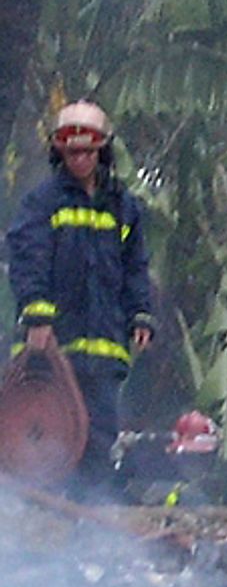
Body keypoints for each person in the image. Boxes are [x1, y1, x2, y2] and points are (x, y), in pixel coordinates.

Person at [6, 101, 153, 499]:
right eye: (72, 152)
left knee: (97, 440)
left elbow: (135, 267)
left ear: (102, 150)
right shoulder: (43, 202)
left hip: (104, 353)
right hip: (53, 351)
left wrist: (141, 315)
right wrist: (37, 316)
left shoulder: (124, 207)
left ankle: (88, 533)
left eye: (88, 151)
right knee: (44, 444)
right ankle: (42, 527)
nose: (80, 159)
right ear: (59, 151)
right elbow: (27, 258)